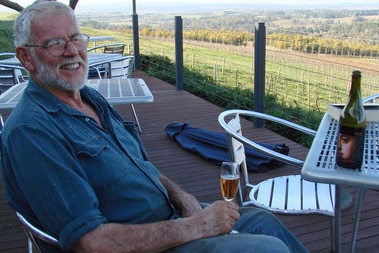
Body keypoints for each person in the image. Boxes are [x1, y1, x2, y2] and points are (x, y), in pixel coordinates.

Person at [1, 1, 309, 252]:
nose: (72, 51)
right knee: (266, 248)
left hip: (169, 216)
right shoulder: (32, 132)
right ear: (26, 58)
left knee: (262, 220)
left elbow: (139, 164)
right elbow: (90, 242)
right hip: (139, 243)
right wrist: (198, 226)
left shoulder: (90, 98)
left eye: (75, 38)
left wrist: (184, 198)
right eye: (55, 44)